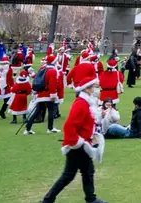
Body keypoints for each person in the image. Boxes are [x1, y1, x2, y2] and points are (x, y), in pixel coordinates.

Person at [40, 63, 106, 203]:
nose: (96, 89)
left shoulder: (87, 103)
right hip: (77, 145)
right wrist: (77, 142)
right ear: (87, 89)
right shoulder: (81, 104)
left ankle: (90, 198)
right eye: (94, 87)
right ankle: (49, 200)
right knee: (71, 174)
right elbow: (69, 125)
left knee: (85, 172)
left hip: (81, 143)